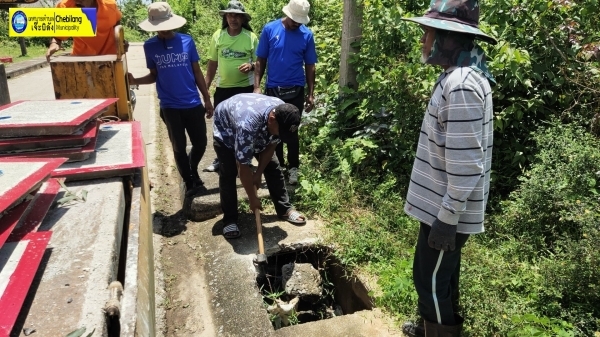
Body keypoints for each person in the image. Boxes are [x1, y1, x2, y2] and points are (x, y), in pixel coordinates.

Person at [400, 0, 497, 336]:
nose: (423, 41)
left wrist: (447, 218)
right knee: (441, 275)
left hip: (447, 213)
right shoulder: (456, 77)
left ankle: (438, 330)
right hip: (442, 209)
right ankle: (432, 327)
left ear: (448, 39)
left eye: (428, 33)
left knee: (429, 281)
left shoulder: (462, 86)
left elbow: (468, 163)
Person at [128, 2, 214, 197]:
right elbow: (153, 75)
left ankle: (192, 169)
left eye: (166, 26)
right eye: (159, 28)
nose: (164, 31)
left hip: (192, 103)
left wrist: (207, 99)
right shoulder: (150, 46)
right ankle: (190, 181)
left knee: (200, 143)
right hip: (169, 106)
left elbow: (197, 72)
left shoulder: (187, 41)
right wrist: (135, 80)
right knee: (178, 146)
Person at [213, 93, 307, 239]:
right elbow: (242, 167)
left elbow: (271, 146)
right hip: (227, 131)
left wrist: (258, 174)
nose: (281, 135)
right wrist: (252, 198)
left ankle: (284, 209)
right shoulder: (247, 125)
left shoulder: (283, 112)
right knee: (228, 172)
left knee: (274, 167)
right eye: (280, 132)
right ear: (272, 119)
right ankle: (230, 219)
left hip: (258, 128)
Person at [253, 0, 317, 185]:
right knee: (274, 130)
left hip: (296, 89)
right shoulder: (270, 29)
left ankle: (293, 168)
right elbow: (260, 60)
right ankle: (278, 166)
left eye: (300, 21)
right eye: (294, 20)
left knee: (292, 129)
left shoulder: (306, 35)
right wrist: (257, 87)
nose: (296, 23)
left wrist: (311, 93)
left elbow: (310, 65)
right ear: (287, 14)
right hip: (274, 89)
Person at [203, 0, 259, 173]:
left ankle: (244, 160)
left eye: (237, 16)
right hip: (223, 89)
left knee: (244, 126)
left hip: (245, 88)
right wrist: (206, 90)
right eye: (230, 15)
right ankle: (221, 160)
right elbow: (212, 64)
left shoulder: (251, 38)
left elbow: (260, 62)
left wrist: (251, 66)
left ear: (243, 19)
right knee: (221, 126)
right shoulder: (218, 36)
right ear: (226, 17)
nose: (233, 19)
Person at [46, 0, 123, 61]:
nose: (77, 1)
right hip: (81, 59)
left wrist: (120, 41)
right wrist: (54, 44)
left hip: (109, 57)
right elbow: (58, 36)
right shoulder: (65, 7)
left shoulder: (109, 5)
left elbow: (116, 23)